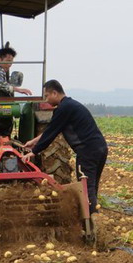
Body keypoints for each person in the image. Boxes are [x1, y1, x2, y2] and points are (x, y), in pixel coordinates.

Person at [22, 80, 108, 214]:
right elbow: (52, 128)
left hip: (87, 151)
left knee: (86, 187)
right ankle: (92, 216)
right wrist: (34, 141)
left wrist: (33, 152)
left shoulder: (63, 108)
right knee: (92, 186)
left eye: (47, 95)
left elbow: (51, 133)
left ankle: (90, 221)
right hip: (100, 148)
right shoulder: (70, 105)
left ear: (55, 93)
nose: (46, 99)